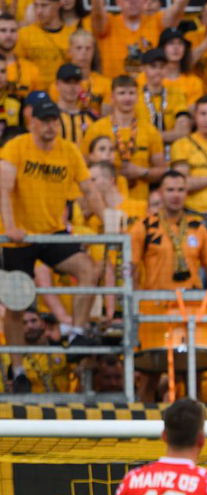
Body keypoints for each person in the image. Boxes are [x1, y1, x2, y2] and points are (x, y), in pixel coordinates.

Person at [0, 96, 105, 342]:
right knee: (16, 305)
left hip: (52, 232)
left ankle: (77, 333)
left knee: (88, 268)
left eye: (54, 121)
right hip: (20, 236)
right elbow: (4, 186)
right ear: (32, 122)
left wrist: (108, 222)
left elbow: (90, 190)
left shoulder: (69, 150)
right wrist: (10, 227)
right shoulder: (16, 146)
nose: (50, 126)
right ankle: (17, 364)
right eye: (45, 121)